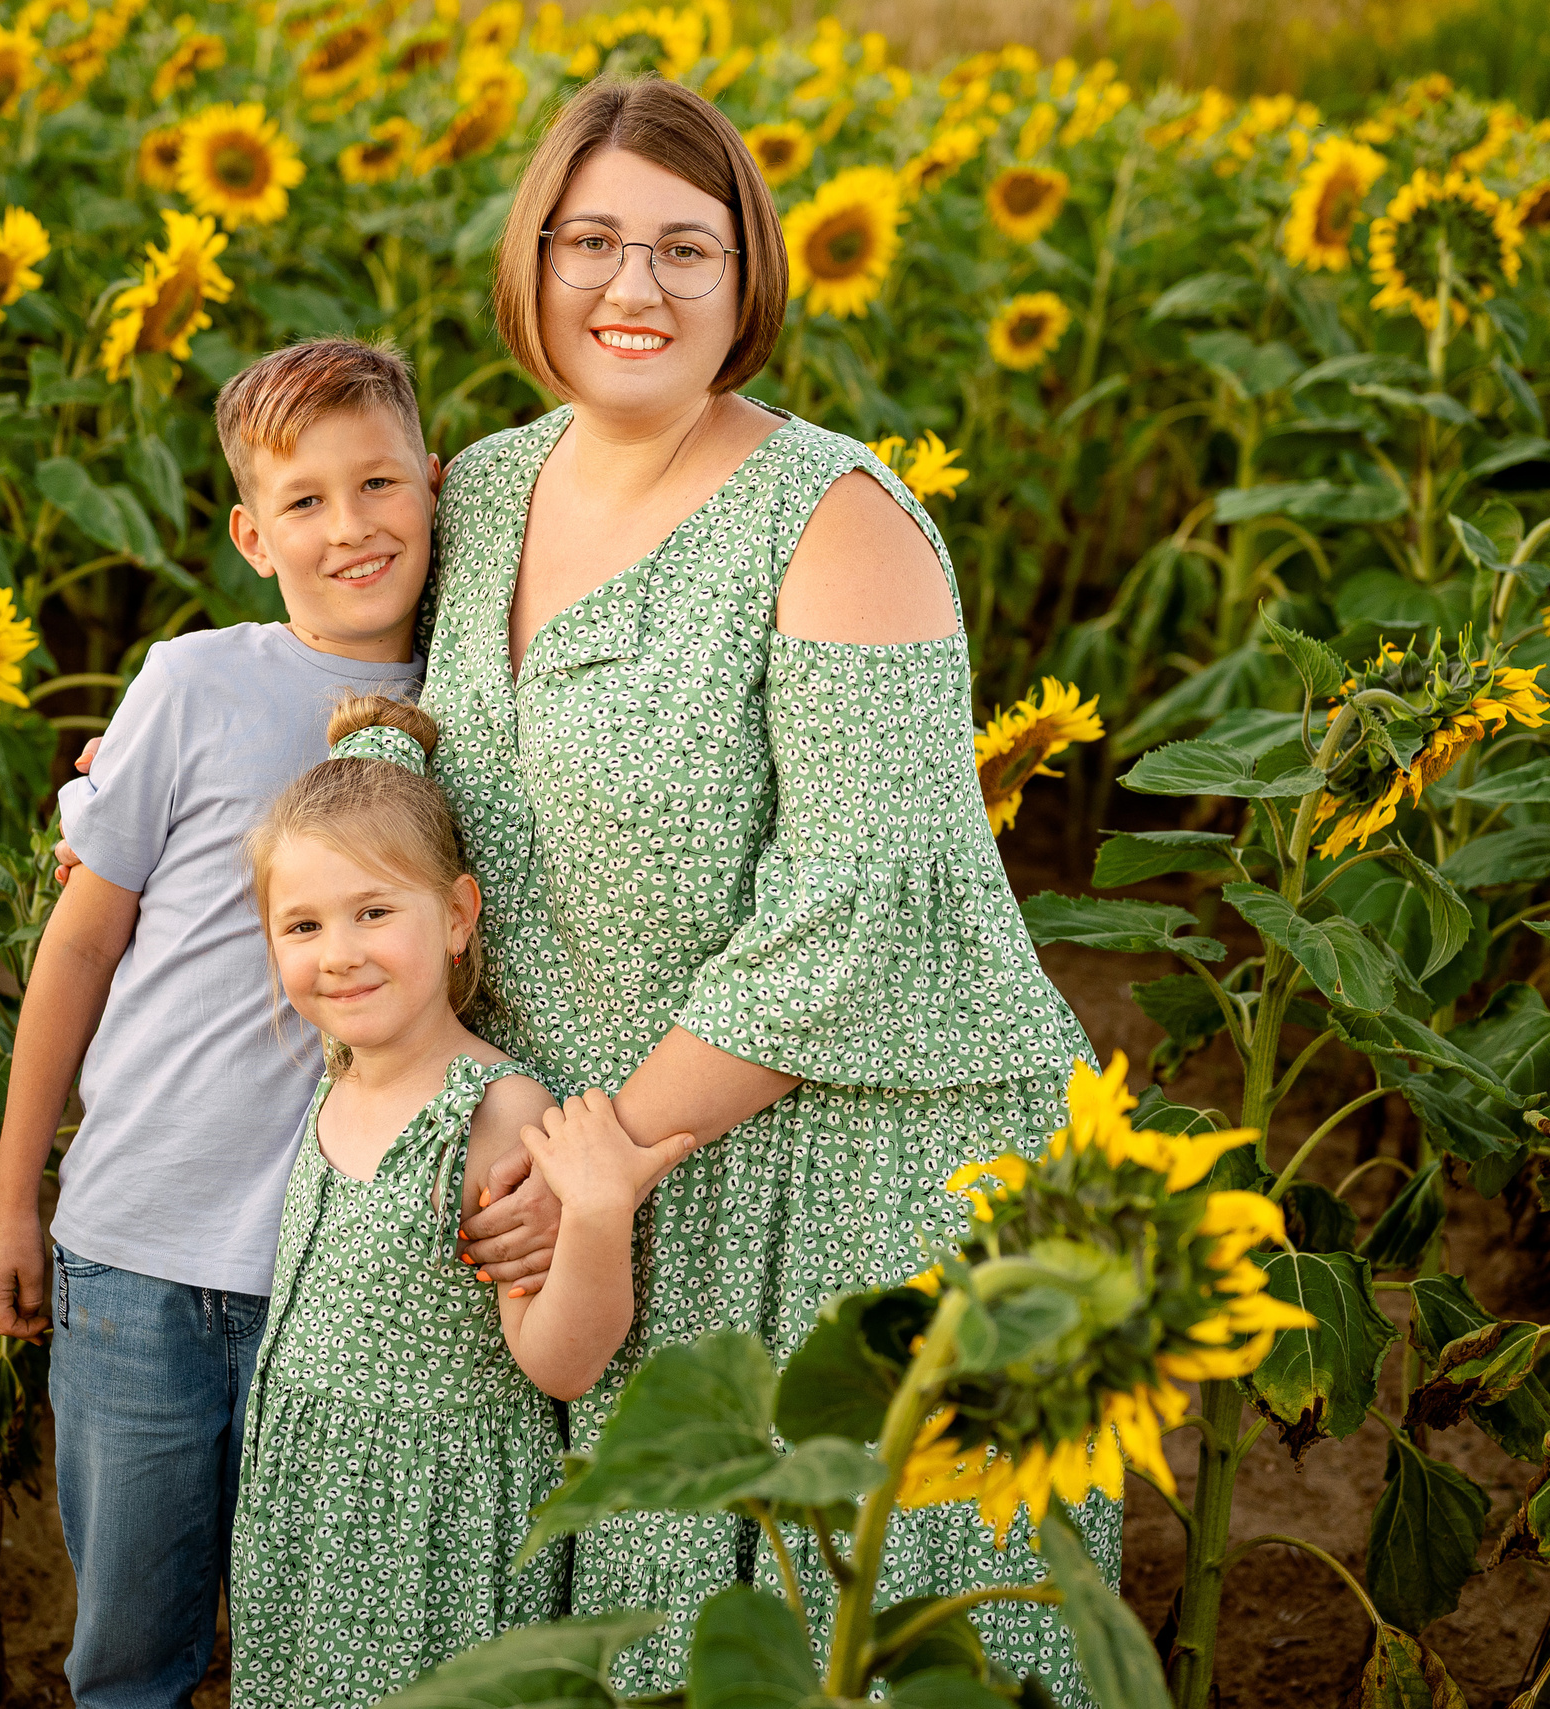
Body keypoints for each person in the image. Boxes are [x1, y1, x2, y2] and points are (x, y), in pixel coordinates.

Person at [420, 76, 1110, 1698]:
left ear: (749, 284)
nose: (634, 289)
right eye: (592, 240)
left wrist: (617, 1147)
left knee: (819, 1634)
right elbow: (364, 691)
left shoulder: (840, 524)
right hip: (599, 1180)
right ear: (532, 260)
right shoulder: (489, 490)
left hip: (837, 1170)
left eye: (686, 249)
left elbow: (856, 905)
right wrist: (152, 770)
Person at [0, 338, 555, 1708]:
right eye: (304, 500)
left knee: (320, 1645)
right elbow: (81, 944)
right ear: (250, 532)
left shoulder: (480, 711)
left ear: (438, 484)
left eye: (378, 483)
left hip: (358, 1275)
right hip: (138, 1247)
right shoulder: (191, 685)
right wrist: (14, 1196)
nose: (349, 527)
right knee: (131, 1647)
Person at [227, 697, 699, 1708]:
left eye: (373, 912)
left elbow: (559, 1357)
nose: (339, 952)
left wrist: (601, 1205)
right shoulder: (336, 1072)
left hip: (432, 1521)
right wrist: (378, 741)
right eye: (301, 924)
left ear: (457, 915)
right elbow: (362, 831)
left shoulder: (492, 1111)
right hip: (309, 1496)